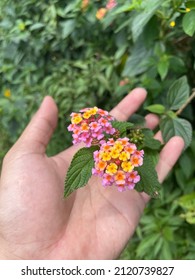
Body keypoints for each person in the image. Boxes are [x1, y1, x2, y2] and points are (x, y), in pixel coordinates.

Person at [0, 88, 184, 260]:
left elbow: (116, 143)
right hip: (111, 156)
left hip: (117, 153)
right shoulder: (99, 151)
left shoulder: (113, 139)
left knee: (140, 161)